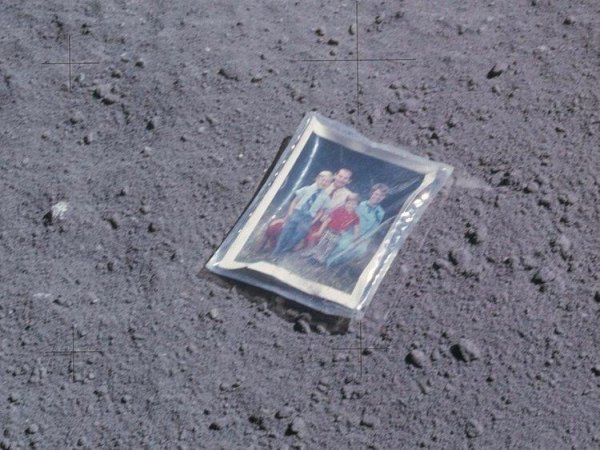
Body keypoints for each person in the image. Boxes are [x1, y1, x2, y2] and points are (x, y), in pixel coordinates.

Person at [271, 171, 333, 257]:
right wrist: (290, 212)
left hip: (308, 218)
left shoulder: (326, 197)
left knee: (299, 235)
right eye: (323, 180)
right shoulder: (306, 189)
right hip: (297, 213)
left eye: (327, 181)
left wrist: (313, 221)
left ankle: (285, 250)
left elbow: (321, 211)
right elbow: (295, 201)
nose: (324, 183)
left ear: (329, 184)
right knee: (286, 232)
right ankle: (276, 252)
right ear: (317, 179)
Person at [326, 183, 389, 267]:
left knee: (361, 250)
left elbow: (374, 228)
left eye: (381, 196)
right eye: (376, 194)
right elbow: (346, 216)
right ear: (372, 193)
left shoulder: (380, 212)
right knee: (344, 244)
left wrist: (365, 240)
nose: (377, 197)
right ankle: (328, 262)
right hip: (348, 232)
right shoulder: (360, 204)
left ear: (383, 198)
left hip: (362, 237)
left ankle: (338, 264)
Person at [303, 168, 354, 249]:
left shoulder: (349, 195)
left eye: (345, 178)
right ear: (335, 175)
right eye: (340, 176)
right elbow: (306, 196)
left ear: (349, 181)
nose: (341, 180)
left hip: (324, 224)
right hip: (308, 215)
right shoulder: (323, 183)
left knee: (310, 240)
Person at [306, 193, 360, 263]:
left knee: (329, 247)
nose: (351, 206)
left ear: (357, 205)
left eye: (353, 204)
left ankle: (321, 259)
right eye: (349, 203)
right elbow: (327, 220)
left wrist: (356, 237)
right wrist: (320, 231)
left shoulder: (355, 217)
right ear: (345, 203)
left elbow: (356, 227)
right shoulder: (339, 210)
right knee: (322, 243)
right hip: (329, 231)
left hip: (337, 235)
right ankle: (315, 257)